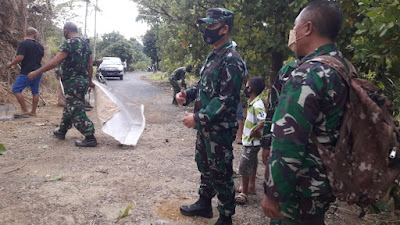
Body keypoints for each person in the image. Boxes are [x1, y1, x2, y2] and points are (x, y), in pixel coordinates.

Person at [261, 1, 349, 224]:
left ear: (308, 28)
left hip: (299, 188)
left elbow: (288, 139)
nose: (293, 33)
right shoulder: (343, 67)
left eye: (295, 26)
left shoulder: (307, 74)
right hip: (325, 181)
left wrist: (274, 192)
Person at [176, 8, 245, 225]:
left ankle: (226, 216)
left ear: (224, 28)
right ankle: (204, 203)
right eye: (207, 25)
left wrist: (198, 118)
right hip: (206, 127)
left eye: (212, 25)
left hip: (220, 129)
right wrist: (188, 94)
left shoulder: (232, 60)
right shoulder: (214, 55)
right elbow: (206, 87)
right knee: (205, 166)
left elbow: (225, 100)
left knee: (221, 171)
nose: (208, 29)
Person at [28, 22, 97, 147]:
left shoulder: (69, 44)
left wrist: (36, 72)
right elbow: (89, 65)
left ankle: (89, 136)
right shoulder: (86, 45)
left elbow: (55, 62)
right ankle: (62, 130)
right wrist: (89, 80)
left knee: (75, 109)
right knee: (70, 106)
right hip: (82, 82)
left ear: (66, 30)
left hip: (72, 82)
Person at [235, 77, 266, 205]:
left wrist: (255, 130)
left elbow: (264, 119)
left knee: (244, 166)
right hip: (251, 142)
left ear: (250, 88)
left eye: (246, 86)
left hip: (251, 142)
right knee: (252, 164)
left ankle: (244, 193)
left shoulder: (257, 104)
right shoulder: (253, 102)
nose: (245, 89)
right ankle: (251, 187)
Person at [6, 27, 44, 118]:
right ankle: (33, 112)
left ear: (27, 34)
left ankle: (25, 110)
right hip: (38, 71)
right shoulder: (40, 46)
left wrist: (10, 64)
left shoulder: (24, 44)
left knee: (16, 90)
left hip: (27, 72)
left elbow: (20, 57)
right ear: (34, 35)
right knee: (35, 91)